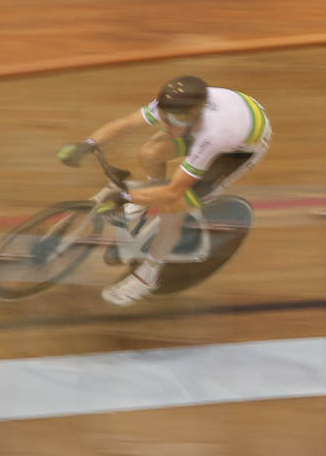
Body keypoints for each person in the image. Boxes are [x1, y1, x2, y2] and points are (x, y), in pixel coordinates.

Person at [59, 75, 272, 306]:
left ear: (192, 115)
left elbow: (172, 192)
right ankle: (148, 198)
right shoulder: (174, 107)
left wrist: (125, 196)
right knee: (149, 153)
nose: (166, 124)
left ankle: (147, 275)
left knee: (174, 205)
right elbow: (125, 124)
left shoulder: (214, 135)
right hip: (222, 119)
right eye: (164, 117)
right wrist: (88, 144)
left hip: (236, 151)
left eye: (173, 120)